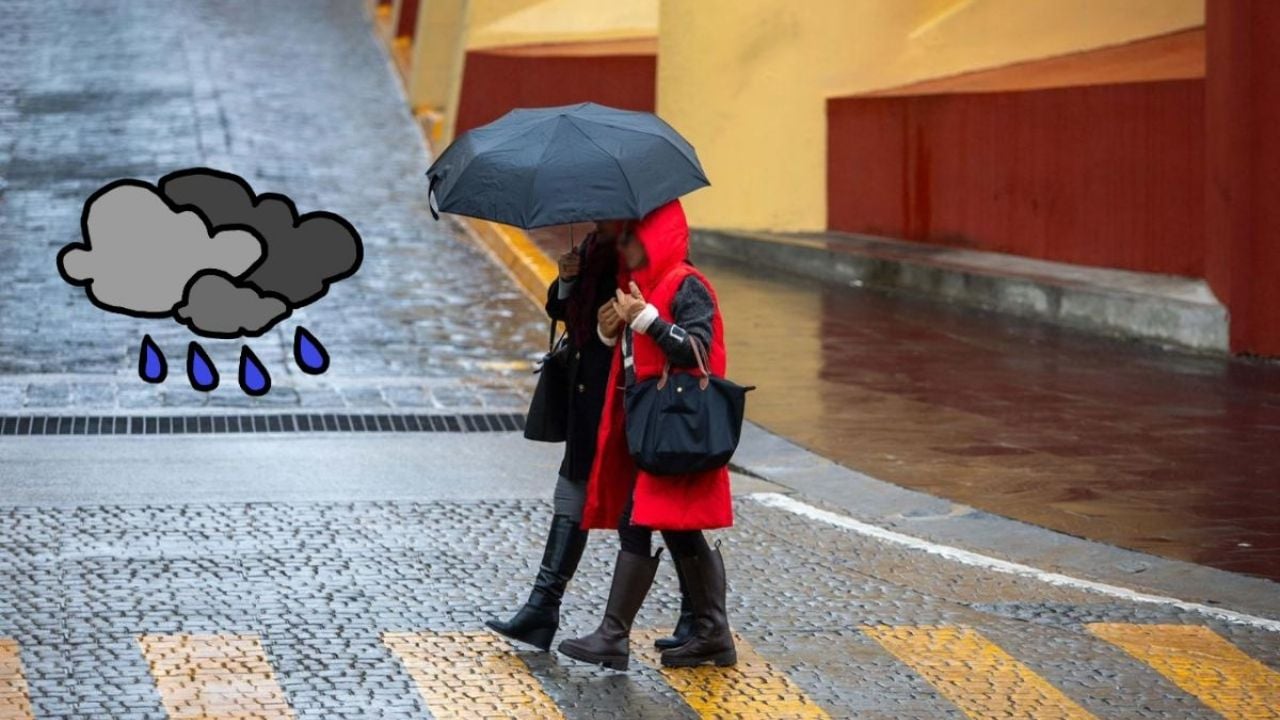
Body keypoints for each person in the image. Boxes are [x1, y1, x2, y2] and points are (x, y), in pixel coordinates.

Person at [486, 221, 692, 652]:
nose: (594, 217)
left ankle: (697, 617)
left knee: (658, 512)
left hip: (621, 401)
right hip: (588, 399)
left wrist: (607, 334)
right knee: (574, 495)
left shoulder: (636, 250)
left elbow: (651, 322)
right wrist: (566, 279)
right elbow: (564, 312)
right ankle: (543, 609)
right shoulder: (594, 245)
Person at [558, 199, 736, 671]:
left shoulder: (686, 284)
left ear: (655, 237)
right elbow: (636, 358)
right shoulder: (643, 288)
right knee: (675, 528)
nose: (624, 246)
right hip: (654, 429)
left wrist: (648, 321)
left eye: (631, 237)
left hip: (677, 428)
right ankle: (710, 632)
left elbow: (699, 351)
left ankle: (615, 636)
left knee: (642, 521)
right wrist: (609, 331)